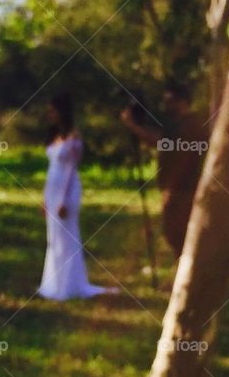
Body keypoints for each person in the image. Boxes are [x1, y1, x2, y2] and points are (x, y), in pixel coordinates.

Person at [38, 92, 116, 301]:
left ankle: (68, 284)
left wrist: (63, 199)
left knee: (66, 234)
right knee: (53, 237)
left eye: (53, 111)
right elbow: (51, 168)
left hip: (67, 189)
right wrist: (45, 198)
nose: (50, 115)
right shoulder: (54, 137)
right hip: (52, 188)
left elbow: (71, 170)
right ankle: (53, 282)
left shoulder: (74, 136)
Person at [121, 80, 208, 259]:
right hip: (175, 187)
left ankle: (186, 275)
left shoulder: (191, 125)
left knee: (179, 233)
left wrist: (133, 126)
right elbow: (161, 140)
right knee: (172, 233)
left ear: (183, 102)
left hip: (183, 189)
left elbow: (167, 147)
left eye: (171, 101)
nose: (167, 106)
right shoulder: (177, 124)